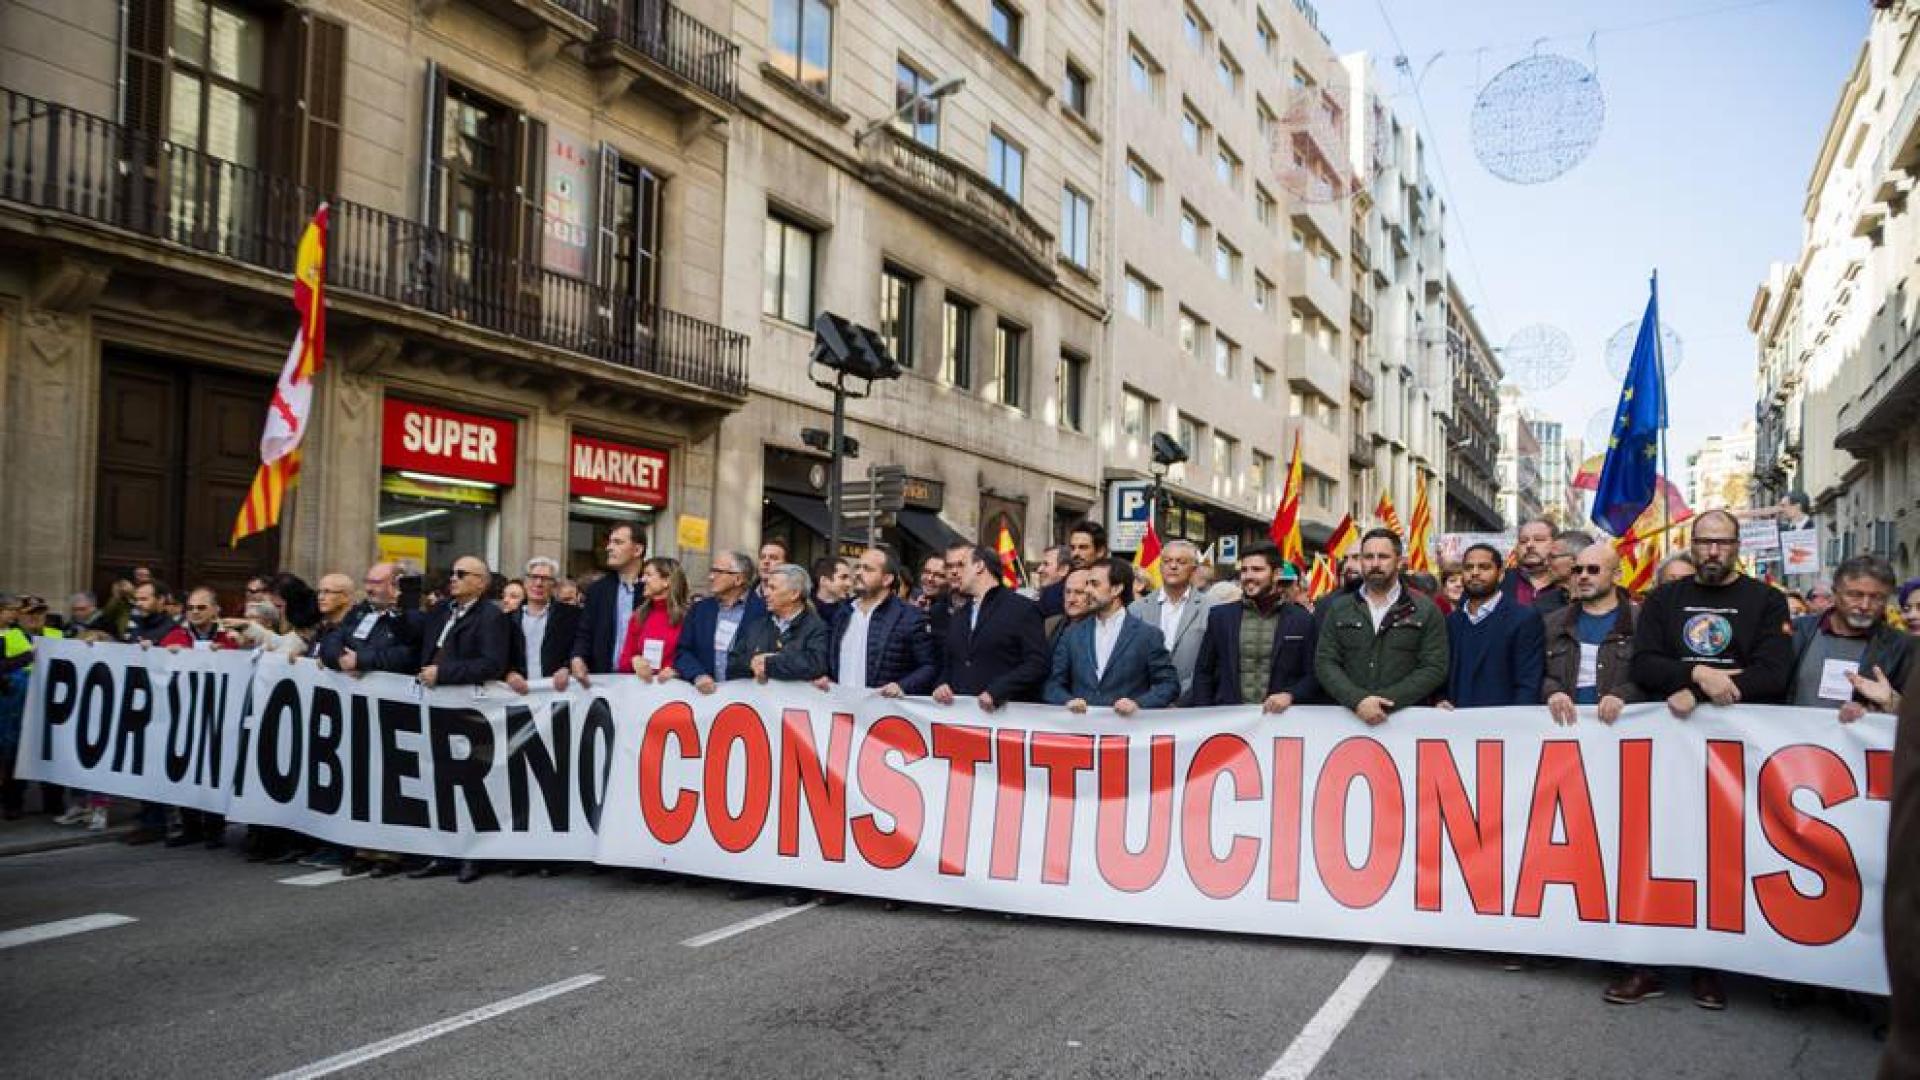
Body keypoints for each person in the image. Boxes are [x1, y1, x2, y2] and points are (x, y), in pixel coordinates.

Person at [1618, 509, 1793, 1009]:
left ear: (1737, 545)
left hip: (1735, 753)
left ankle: (1709, 968)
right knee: (1658, 853)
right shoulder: (1665, 600)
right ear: (1691, 545)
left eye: (1722, 542)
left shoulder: (1766, 600)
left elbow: (1774, 674)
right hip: (1669, 751)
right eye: (1703, 542)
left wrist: (1709, 690)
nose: (1712, 551)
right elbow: (1647, 665)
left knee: (1723, 857)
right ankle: (1646, 962)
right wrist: (1698, 673)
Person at [408, 556, 510, 884]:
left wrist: (444, 673)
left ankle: (473, 854)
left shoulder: (491, 617)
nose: (453, 578)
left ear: (481, 582)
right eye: (452, 573)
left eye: (462, 574)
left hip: (468, 707)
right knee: (438, 779)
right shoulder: (440, 612)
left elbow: (491, 664)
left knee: (469, 781)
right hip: (434, 704)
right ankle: (441, 850)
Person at [1313, 529, 1450, 725]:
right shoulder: (1339, 608)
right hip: (1347, 722)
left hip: (1405, 722)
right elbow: (1325, 663)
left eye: (1383, 556)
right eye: (1368, 557)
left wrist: (1384, 702)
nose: (1375, 563)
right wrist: (1358, 700)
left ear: (1399, 561)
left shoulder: (1426, 610)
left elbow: (1434, 667)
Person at [1189, 542, 1320, 711]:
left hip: (1281, 721)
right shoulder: (1220, 617)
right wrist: (1204, 714)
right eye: (1244, 570)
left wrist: (1291, 695)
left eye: (1257, 570)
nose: (1248, 576)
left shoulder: (1302, 620)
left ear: (1276, 573)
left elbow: (1314, 674)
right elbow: (1203, 673)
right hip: (1229, 722)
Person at [1044, 557, 1179, 714]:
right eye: (1087, 583)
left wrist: (1138, 704)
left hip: (1129, 732)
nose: (1087, 590)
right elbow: (1052, 684)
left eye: (1094, 584)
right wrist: (1067, 700)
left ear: (1116, 589)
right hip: (1081, 731)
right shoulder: (1072, 634)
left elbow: (1169, 684)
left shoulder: (1147, 635)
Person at [1787, 555, 1910, 722]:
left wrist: (1889, 704)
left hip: (1860, 745)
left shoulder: (1902, 647)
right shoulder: (1798, 632)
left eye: (1876, 598)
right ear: (1835, 593)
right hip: (1793, 743)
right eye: (1855, 595)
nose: (1865, 606)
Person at [933, 543, 1049, 711]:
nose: (953, 572)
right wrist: (942, 685)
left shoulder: (1022, 608)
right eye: (949, 566)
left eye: (961, 565)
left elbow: (1037, 663)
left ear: (980, 566)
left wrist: (998, 691)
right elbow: (950, 663)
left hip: (1007, 718)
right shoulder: (958, 616)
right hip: (961, 720)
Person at [1542, 543, 1646, 725]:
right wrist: (1552, 692)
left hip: (1623, 729)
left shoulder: (1641, 621)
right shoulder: (1552, 623)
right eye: (1577, 570)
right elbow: (1534, 671)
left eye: (1593, 570)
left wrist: (1623, 695)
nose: (1583, 576)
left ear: (1617, 575)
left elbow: (1653, 675)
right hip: (1563, 729)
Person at [818, 547, 939, 698]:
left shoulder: (909, 617)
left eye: (867, 569)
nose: (858, 573)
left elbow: (929, 666)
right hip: (842, 711)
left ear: (887, 579)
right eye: (858, 567)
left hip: (883, 714)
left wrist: (902, 686)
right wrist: (824, 676)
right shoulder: (842, 613)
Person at [1440, 544, 1545, 709]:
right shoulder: (1451, 622)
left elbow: (1529, 681)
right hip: (1456, 725)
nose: (1475, 572)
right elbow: (1442, 673)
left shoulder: (1523, 618)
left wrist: (1518, 723)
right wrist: (1440, 699)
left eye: (1484, 567)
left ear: (1501, 574)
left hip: (1503, 727)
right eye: (1468, 567)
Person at [1129, 539, 1214, 703]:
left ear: (1194, 569)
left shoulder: (1210, 609)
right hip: (1143, 705)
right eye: (1167, 561)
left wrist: (1181, 699)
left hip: (1191, 706)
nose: (1173, 566)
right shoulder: (1136, 609)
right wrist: (1149, 700)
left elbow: (1209, 664)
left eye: (1181, 562)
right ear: (1160, 566)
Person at [566, 522, 647, 687]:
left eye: (617, 542)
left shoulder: (652, 589)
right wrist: (577, 657)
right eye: (609, 542)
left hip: (644, 683)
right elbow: (585, 632)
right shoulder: (598, 590)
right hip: (604, 683)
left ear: (637, 550)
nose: (609, 547)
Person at [678, 550, 766, 695]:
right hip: (706, 699)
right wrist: (697, 675)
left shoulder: (763, 611)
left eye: (718, 571)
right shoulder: (700, 610)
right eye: (711, 571)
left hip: (749, 700)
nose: (711, 577)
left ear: (738, 579)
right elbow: (683, 650)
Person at [726, 563, 831, 683]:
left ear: (794, 594)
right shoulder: (757, 625)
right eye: (766, 587)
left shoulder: (816, 628)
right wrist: (752, 662)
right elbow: (733, 663)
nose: (765, 593)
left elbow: (815, 665)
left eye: (773, 588)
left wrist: (769, 663)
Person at [320, 562, 424, 677]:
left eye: (376, 583)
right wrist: (340, 658)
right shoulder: (361, 611)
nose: (368, 588)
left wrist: (361, 661)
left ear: (395, 586)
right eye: (367, 582)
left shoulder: (412, 617)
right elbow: (333, 638)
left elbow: (408, 656)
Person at [504, 557, 582, 695]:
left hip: (559, 694)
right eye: (534, 577)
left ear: (554, 585)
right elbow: (500, 655)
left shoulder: (572, 616)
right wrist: (508, 673)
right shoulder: (507, 620)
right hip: (519, 695)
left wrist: (567, 668)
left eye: (545, 579)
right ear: (525, 582)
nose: (538, 583)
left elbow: (581, 648)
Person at [617, 557, 690, 681]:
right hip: (642, 691)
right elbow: (623, 662)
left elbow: (697, 658)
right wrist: (634, 660)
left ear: (666, 581)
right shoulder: (638, 616)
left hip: (676, 693)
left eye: (648, 574)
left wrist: (677, 670)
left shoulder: (688, 618)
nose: (642, 579)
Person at [1040, 520, 1124, 617]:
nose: (1076, 553)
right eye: (1072, 548)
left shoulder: (1117, 588)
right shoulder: (1052, 594)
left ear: (1100, 551)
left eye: (1083, 547)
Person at [1502, 518, 1565, 611]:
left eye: (1539, 539)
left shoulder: (1568, 583)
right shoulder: (1500, 580)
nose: (1529, 545)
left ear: (1556, 544)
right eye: (1523, 541)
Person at [1046, 567, 1094, 647]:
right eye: (1068, 592)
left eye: (1079, 592)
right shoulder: (1050, 625)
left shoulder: (1101, 630)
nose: (1071, 599)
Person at [811, 556, 851, 626]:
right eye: (843, 577)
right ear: (824, 580)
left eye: (849, 578)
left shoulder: (851, 611)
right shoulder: (803, 610)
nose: (849, 583)